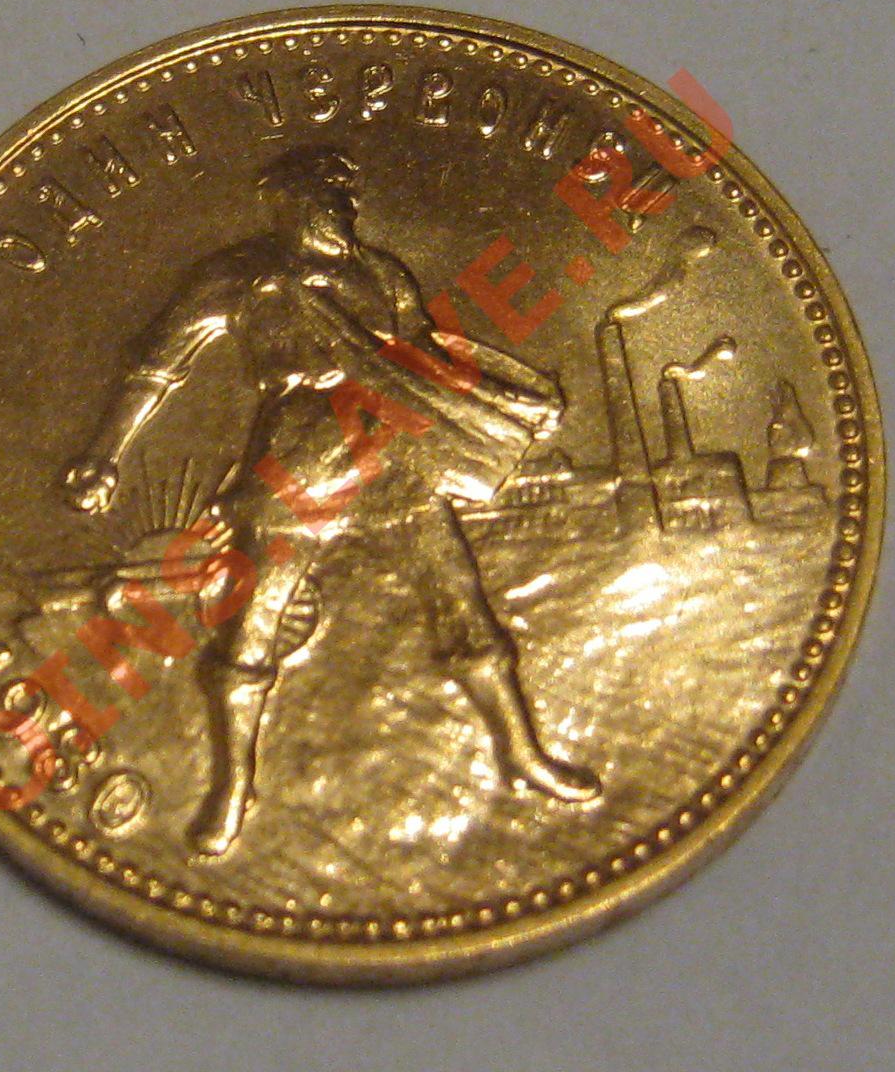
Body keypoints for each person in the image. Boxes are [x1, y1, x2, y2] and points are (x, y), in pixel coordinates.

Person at [64, 145, 599, 856]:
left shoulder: (381, 274)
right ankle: (234, 786)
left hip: (394, 457)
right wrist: (104, 453)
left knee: (465, 608)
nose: (347, 207)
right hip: (296, 465)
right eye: (330, 194)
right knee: (253, 630)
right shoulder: (238, 277)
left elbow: (425, 361)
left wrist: (513, 400)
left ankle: (523, 755)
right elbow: (158, 365)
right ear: (290, 200)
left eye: (347, 195)